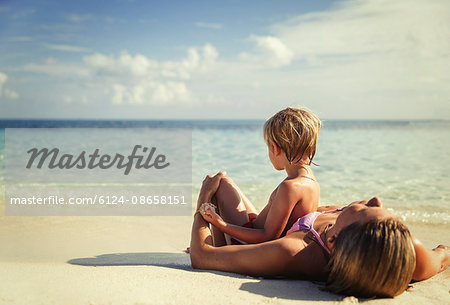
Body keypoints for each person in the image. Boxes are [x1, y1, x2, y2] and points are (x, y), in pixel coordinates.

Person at [190, 172, 450, 298]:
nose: (375, 199)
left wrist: (204, 199)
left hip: (262, 242)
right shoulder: (402, 248)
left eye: (366, 210)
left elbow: (202, 257)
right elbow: (443, 255)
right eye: (381, 211)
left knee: (219, 182)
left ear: (333, 239)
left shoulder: (295, 250)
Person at [203, 107, 322, 245]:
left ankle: (216, 247)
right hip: (255, 231)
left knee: (221, 184)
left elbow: (268, 236)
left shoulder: (290, 187)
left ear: (275, 148)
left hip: (250, 244)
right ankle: (215, 244)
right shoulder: (310, 181)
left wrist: (220, 224)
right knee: (225, 181)